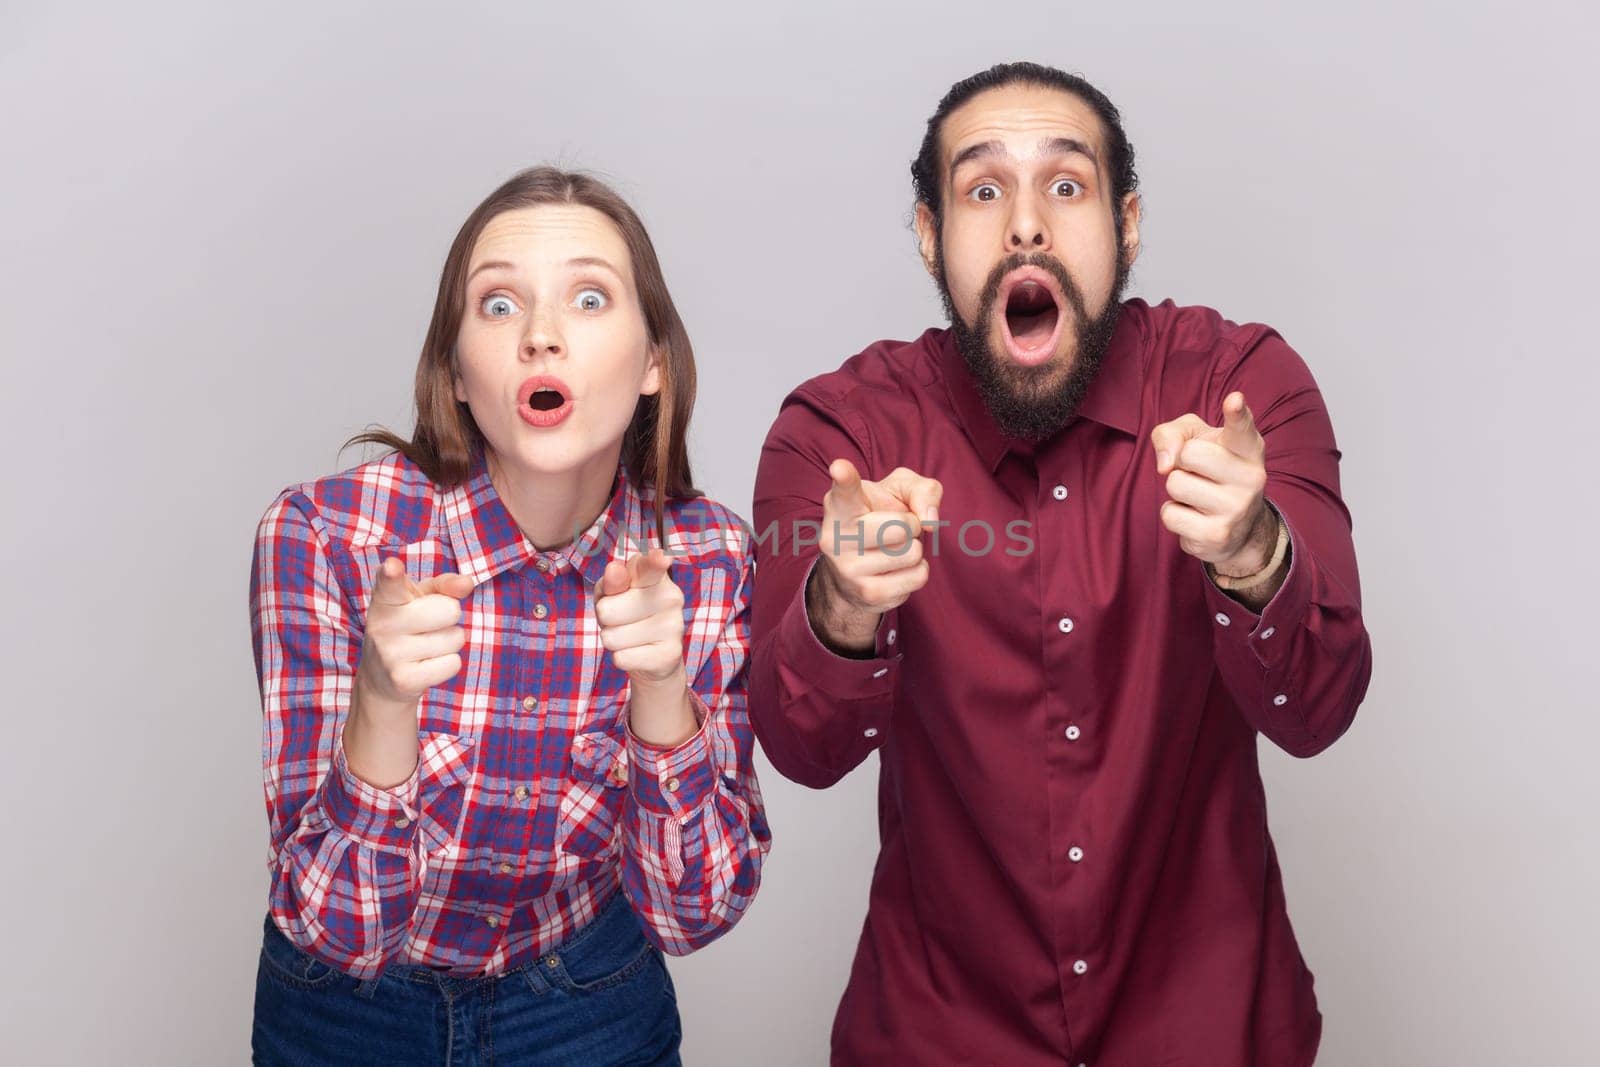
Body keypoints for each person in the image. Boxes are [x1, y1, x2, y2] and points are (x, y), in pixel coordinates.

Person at [751, 62, 1372, 1066]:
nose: (1026, 225)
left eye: (1067, 186)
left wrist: (1253, 553)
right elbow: (799, 747)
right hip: (939, 1033)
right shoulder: (841, 433)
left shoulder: (1238, 388)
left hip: (1210, 1029)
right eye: (982, 189)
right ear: (927, 235)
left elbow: (1319, 706)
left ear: (1126, 226)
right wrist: (841, 605)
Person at [249, 167, 768, 1066]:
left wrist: (661, 690)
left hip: (586, 1002)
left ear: (653, 362)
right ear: (454, 368)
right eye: (498, 306)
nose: (541, 337)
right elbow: (334, 926)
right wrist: (380, 701)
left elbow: (694, 914)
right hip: (348, 1009)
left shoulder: (709, 556)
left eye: (590, 297)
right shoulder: (325, 536)